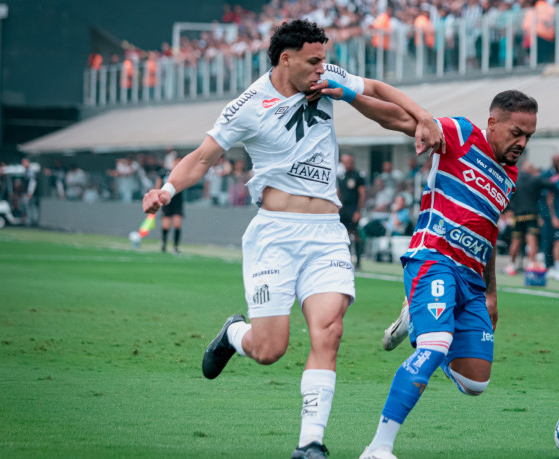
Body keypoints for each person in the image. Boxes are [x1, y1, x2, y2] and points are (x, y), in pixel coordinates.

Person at [141, 19, 441, 459]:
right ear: (287, 59)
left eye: (325, 59)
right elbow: (203, 158)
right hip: (275, 236)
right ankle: (233, 334)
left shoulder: (327, 78)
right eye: (314, 60)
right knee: (269, 349)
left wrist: (424, 117)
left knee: (329, 332)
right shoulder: (248, 105)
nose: (323, 67)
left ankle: (310, 444)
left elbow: (377, 88)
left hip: (327, 234)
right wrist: (166, 190)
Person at [355, 90, 538, 459]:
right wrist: (348, 92)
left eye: (529, 136)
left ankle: (418, 318)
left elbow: (488, 231)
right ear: (493, 123)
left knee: (475, 383)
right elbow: (398, 119)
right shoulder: (461, 133)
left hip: (471, 281)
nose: (522, 143)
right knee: (435, 345)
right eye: (517, 132)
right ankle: (378, 447)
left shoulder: (509, 174)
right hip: (433, 259)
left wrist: (491, 293)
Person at [338, 154, 366, 268]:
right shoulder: (341, 176)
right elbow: (339, 192)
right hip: (343, 210)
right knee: (345, 234)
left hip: (353, 210)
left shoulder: (358, 176)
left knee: (356, 234)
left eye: (349, 161)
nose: (348, 163)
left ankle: (358, 261)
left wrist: (358, 211)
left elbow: (362, 194)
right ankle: (347, 259)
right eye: (346, 161)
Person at [156, 157, 185, 254]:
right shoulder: (164, 172)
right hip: (166, 201)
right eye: (176, 162)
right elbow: (158, 184)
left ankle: (175, 247)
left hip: (177, 201)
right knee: (166, 225)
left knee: (177, 224)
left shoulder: (183, 174)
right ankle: (163, 244)